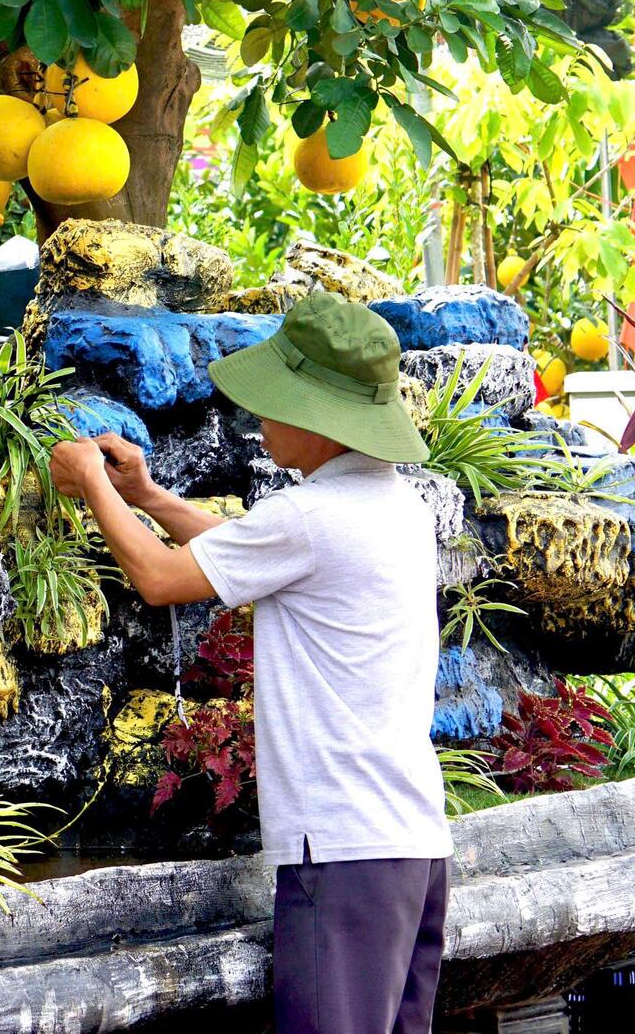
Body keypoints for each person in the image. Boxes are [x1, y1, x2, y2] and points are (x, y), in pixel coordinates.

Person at [47, 290, 451, 1034]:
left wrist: (96, 486)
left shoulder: (311, 516)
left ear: (322, 423)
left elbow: (164, 579)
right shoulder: (391, 506)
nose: (258, 419)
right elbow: (254, 553)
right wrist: (147, 495)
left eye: (276, 401)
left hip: (344, 856)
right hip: (410, 846)